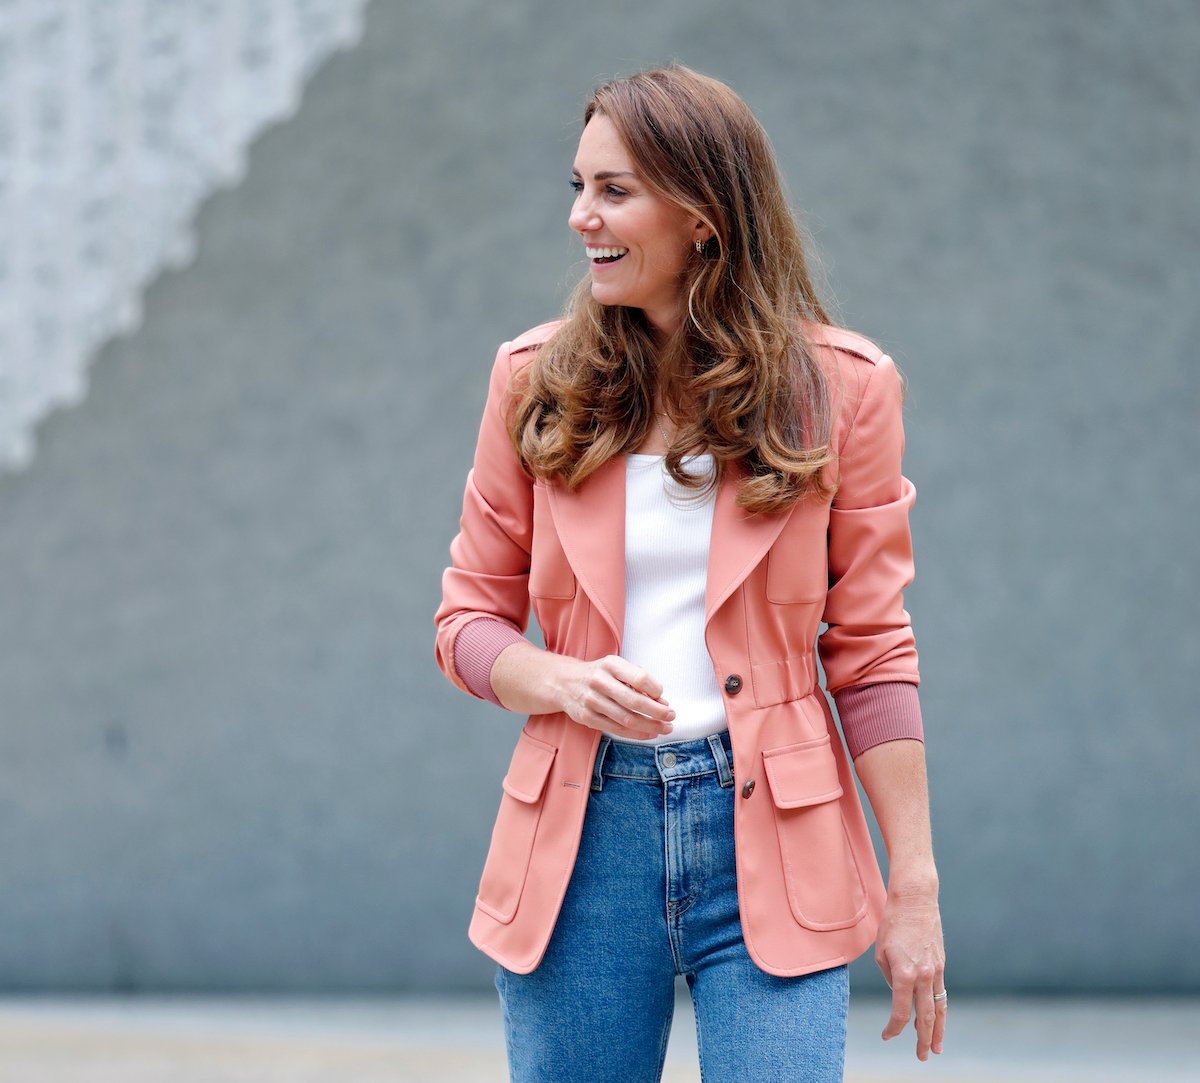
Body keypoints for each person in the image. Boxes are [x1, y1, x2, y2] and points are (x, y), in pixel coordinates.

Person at [434, 64, 945, 1083]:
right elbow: (466, 621)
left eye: (614, 190)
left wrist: (914, 885)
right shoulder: (533, 379)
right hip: (582, 839)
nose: (582, 217)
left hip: (775, 831)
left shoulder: (843, 391)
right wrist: (559, 679)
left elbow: (873, 650)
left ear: (704, 216)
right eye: (576, 187)